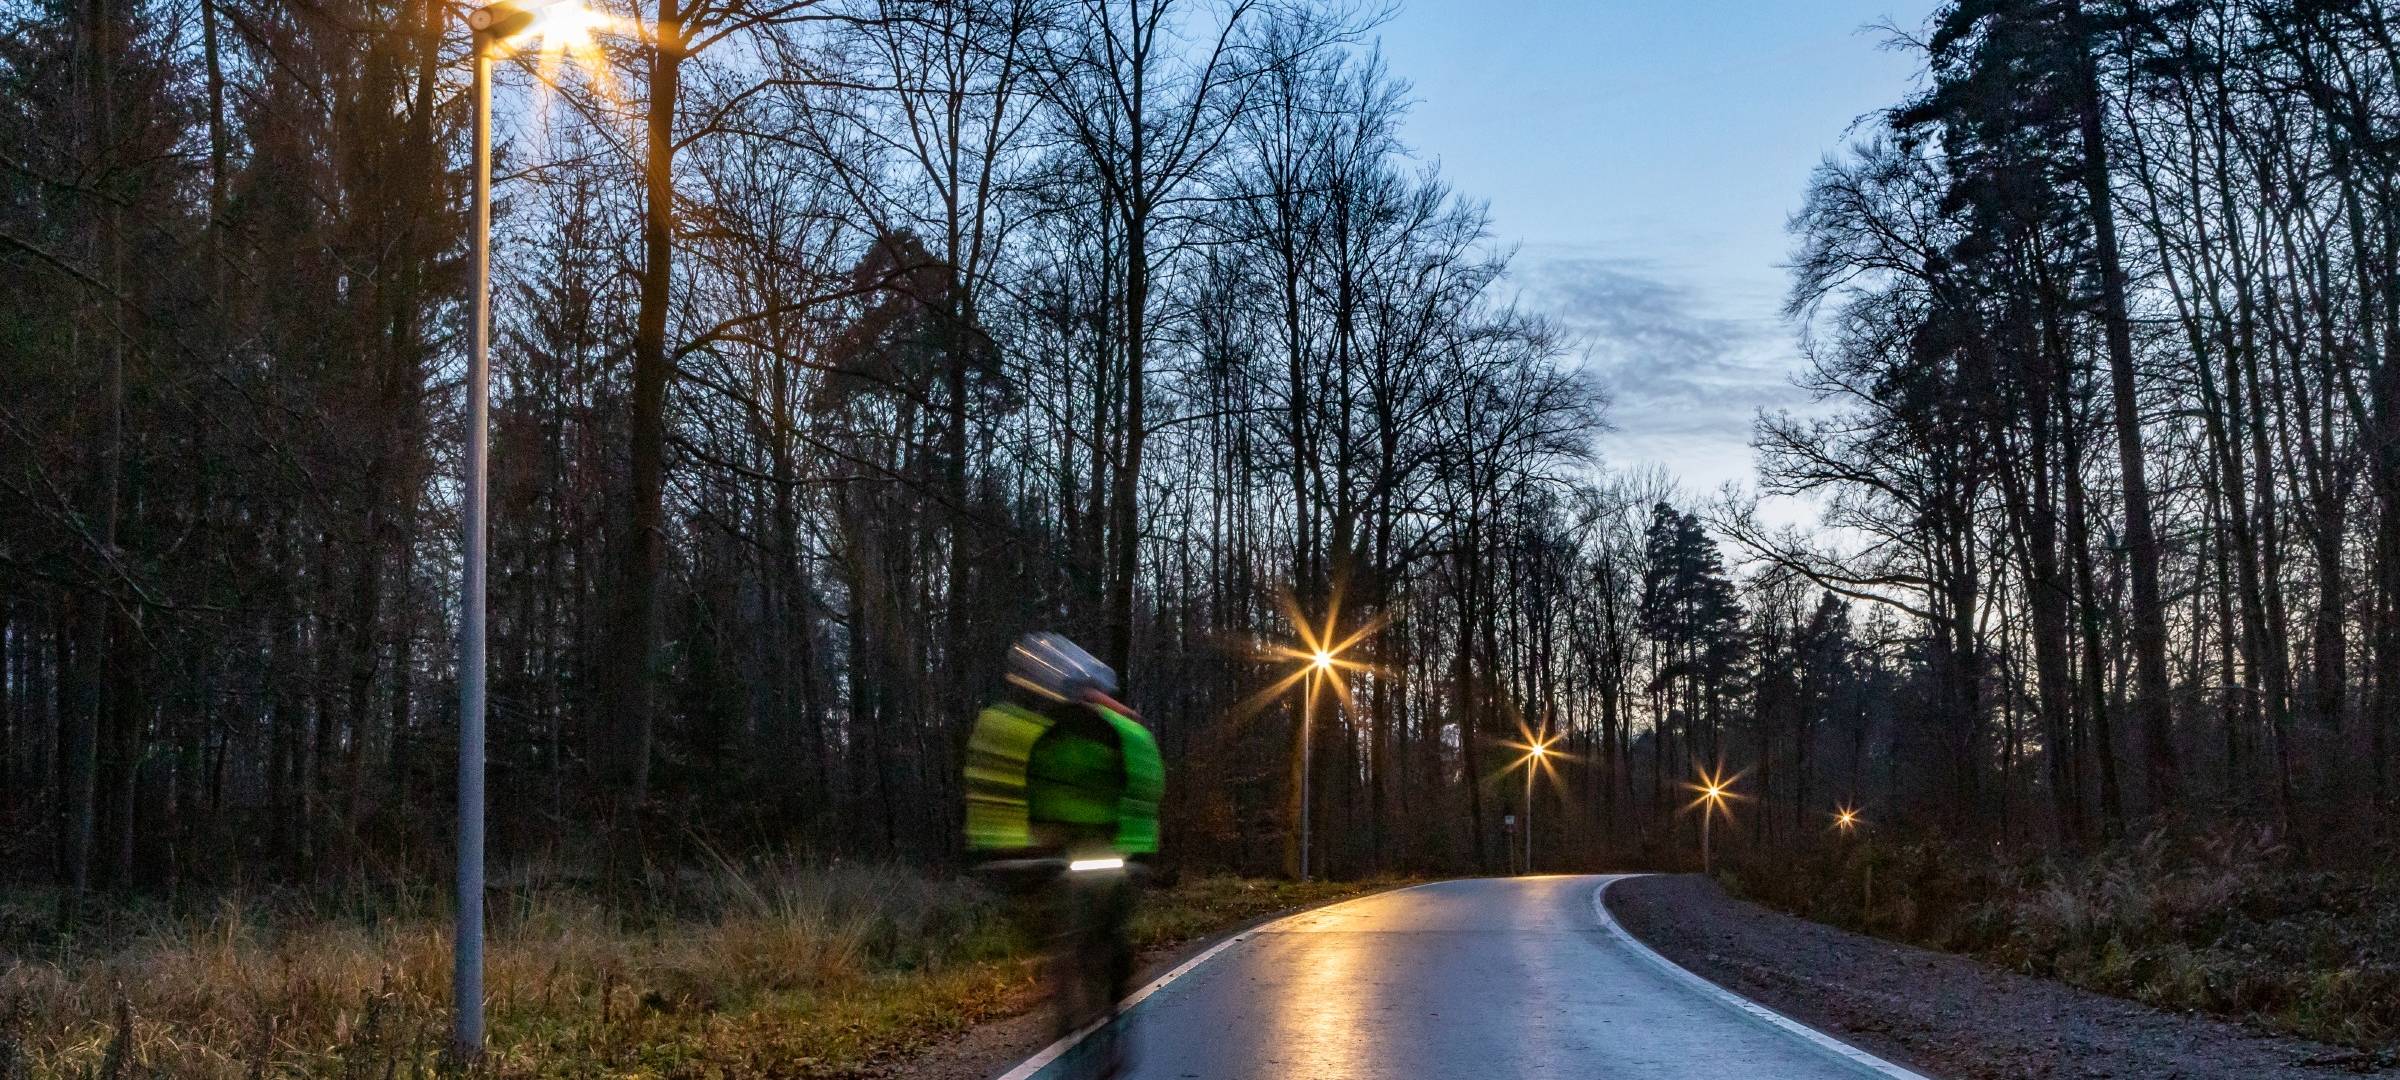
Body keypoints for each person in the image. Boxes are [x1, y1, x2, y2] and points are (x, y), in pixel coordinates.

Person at [966, 632, 1163, 1076]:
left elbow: (1137, 793)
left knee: (1107, 931)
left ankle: (1107, 1005)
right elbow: (1037, 791)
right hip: (1069, 850)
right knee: (1070, 927)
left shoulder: (1107, 733)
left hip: (1101, 850)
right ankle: (1075, 994)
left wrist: (1127, 848)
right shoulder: (1062, 733)